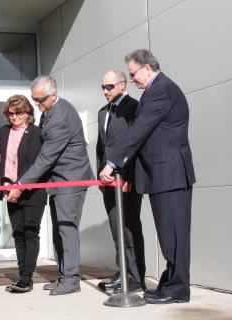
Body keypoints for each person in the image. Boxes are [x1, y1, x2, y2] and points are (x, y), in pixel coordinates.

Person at [99, 49, 196, 304]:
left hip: (170, 174)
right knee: (169, 234)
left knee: (174, 234)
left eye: (133, 74)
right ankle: (171, 283)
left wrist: (112, 163)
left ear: (147, 68)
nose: (132, 80)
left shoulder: (160, 90)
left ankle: (177, 289)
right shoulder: (156, 90)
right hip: (163, 175)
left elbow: (138, 131)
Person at [7, 75, 94, 296]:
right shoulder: (49, 112)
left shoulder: (60, 118)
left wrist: (21, 184)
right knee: (59, 230)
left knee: (66, 229)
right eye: (34, 99)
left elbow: (46, 158)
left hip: (70, 180)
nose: (37, 104)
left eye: (40, 99)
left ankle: (71, 279)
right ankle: (64, 275)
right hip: (58, 181)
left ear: (53, 95)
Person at [0, 95, 47, 293]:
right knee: (18, 233)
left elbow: (33, 164)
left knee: (30, 231)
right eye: (11, 113)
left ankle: (27, 278)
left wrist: (20, 187)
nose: (15, 117)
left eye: (19, 112)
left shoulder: (36, 133)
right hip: (9, 191)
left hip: (31, 191)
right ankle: (22, 277)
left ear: (28, 113)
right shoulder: (4, 132)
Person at [96, 69, 145, 293]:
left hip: (126, 179)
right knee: (117, 228)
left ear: (122, 85)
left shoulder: (134, 108)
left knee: (129, 227)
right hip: (107, 180)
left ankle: (136, 277)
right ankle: (123, 271)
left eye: (110, 87)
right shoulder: (102, 112)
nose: (105, 91)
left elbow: (135, 144)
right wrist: (99, 173)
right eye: (103, 87)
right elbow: (102, 146)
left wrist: (129, 175)